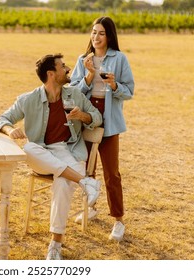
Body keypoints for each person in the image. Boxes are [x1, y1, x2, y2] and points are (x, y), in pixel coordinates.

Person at [0, 53, 102, 260]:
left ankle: (55, 246)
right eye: (63, 66)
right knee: (28, 149)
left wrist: (82, 116)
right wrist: (10, 130)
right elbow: (3, 119)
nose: (68, 69)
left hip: (70, 151)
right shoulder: (29, 99)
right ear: (51, 74)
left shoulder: (74, 95)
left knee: (63, 183)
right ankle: (85, 182)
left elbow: (96, 117)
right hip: (43, 154)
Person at [70, 16, 135, 242]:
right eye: (93, 32)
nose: (96, 37)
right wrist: (88, 75)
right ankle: (92, 207)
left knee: (111, 173)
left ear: (109, 36)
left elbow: (129, 91)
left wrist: (114, 85)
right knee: (88, 170)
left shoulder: (119, 59)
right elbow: (74, 93)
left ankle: (118, 219)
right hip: (87, 118)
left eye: (101, 33)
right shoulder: (83, 60)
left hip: (110, 120)